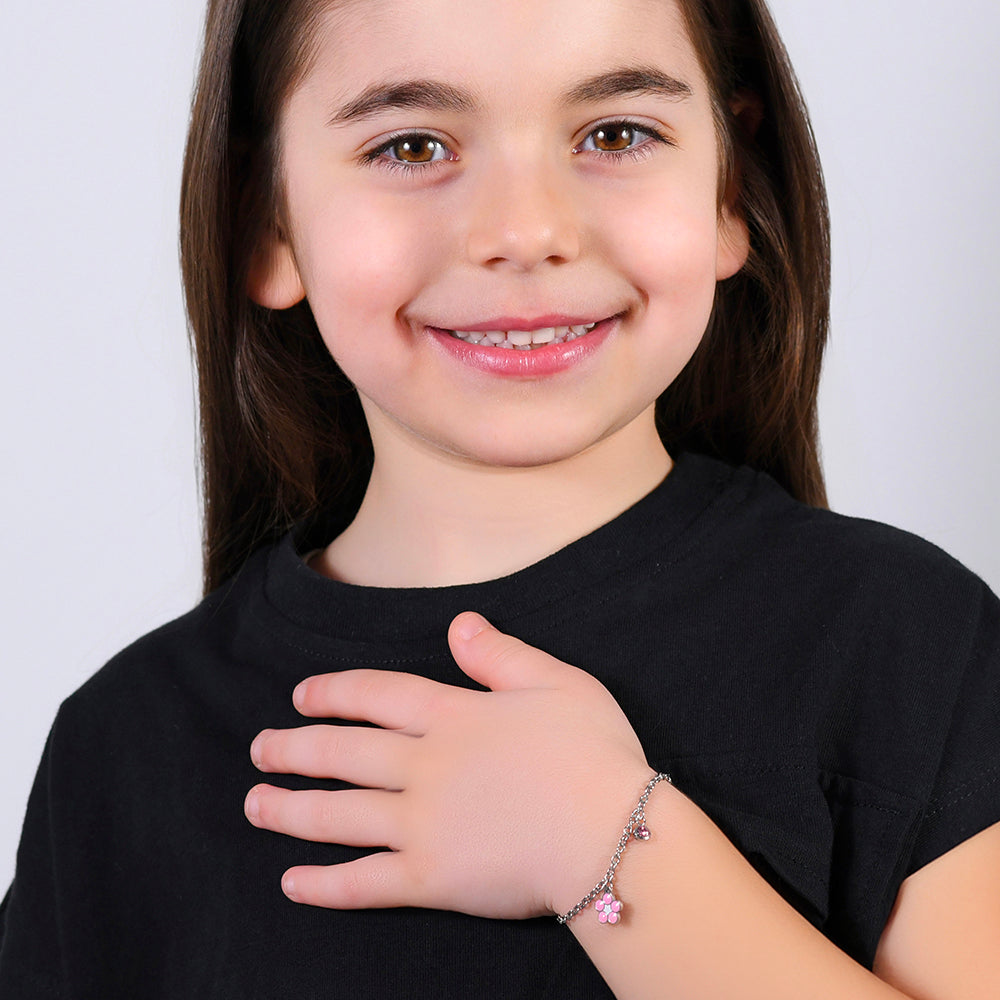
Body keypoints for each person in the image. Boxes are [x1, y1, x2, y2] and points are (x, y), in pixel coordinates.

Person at [1, 0, 997, 996]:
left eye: (615, 133)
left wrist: (604, 846)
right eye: (412, 144)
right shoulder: (122, 751)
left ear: (729, 192)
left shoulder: (913, 649)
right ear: (267, 220)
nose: (526, 232)